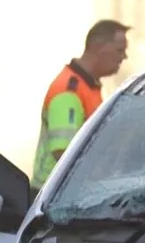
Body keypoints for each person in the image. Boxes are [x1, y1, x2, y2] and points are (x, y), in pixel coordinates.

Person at [33, 19, 128, 187]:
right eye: (119, 50)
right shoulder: (69, 91)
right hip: (54, 197)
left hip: (63, 193)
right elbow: (63, 152)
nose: (124, 57)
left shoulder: (87, 87)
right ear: (97, 47)